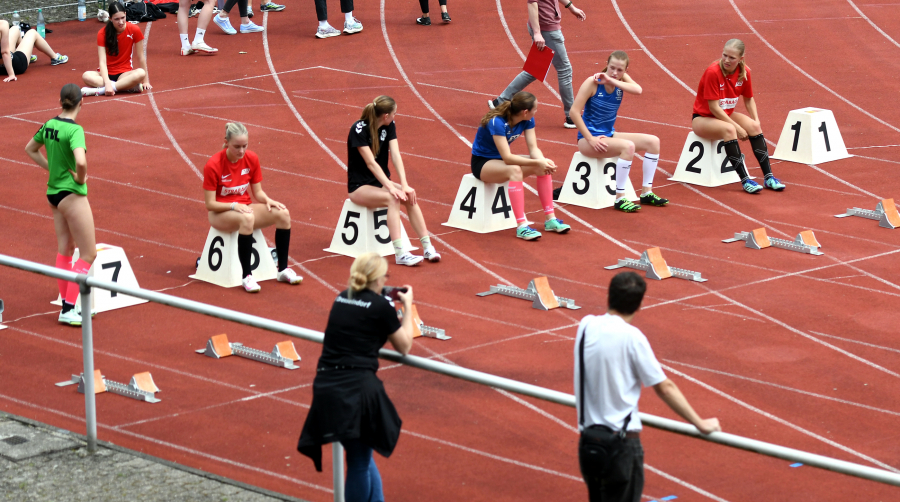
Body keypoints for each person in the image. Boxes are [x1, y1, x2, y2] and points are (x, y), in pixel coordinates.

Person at [575, 272, 722, 502]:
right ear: (640, 304)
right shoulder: (633, 338)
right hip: (620, 445)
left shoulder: (585, 326)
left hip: (589, 443)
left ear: (609, 296)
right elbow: (664, 387)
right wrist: (700, 423)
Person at [297, 252, 415, 502]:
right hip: (357, 389)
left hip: (327, 384)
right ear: (378, 279)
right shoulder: (382, 307)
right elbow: (404, 346)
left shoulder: (341, 297)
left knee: (361, 455)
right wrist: (406, 308)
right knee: (359, 462)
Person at [24, 84, 96, 326]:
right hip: (71, 195)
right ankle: (68, 308)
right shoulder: (75, 130)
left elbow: (30, 149)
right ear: (81, 102)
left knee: (65, 249)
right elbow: (81, 161)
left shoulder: (49, 124)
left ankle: (69, 303)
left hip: (53, 194)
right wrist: (80, 177)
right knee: (88, 253)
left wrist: (51, 169)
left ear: (60, 101)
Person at [202, 122, 302, 292]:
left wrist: (268, 200)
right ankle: (247, 276)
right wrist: (233, 206)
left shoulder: (251, 158)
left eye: (244, 146)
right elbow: (210, 204)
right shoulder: (213, 165)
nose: (241, 151)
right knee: (247, 218)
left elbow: (258, 192)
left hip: (244, 208)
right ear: (226, 142)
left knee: (283, 213)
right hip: (220, 214)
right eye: (236, 147)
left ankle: (283, 269)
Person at [347, 96, 441, 266]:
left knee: (409, 196)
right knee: (393, 198)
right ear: (385, 115)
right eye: (394, 114)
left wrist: (404, 185)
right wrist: (391, 188)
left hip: (379, 183)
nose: (395, 117)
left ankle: (427, 247)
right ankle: (400, 253)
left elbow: (396, 155)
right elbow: (371, 163)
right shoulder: (359, 129)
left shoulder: (389, 125)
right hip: (359, 187)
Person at [569, 51, 668, 213]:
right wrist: (590, 139)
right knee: (628, 147)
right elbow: (574, 112)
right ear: (606, 65)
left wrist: (613, 80)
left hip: (608, 134)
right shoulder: (592, 83)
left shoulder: (619, 81)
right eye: (612, 68)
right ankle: (620, 197)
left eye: (619, 70)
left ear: (625, 71)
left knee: (653, 142)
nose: (615, 73)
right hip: (587, 141)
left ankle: (646, 193)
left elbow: (638, 90)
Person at [471, 91, 570, 241]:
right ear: (525, 112)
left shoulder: (528, 120)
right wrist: (537, 161)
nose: (536, 111)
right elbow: (508, 158)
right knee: (515, 170)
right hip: (482, 163)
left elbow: (533, 148)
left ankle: (550, 219)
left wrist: (543, 161)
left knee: (543, 166)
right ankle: (522, 226)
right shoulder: (497, 122)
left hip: (500, 161)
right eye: (535, 108)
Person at [692, 39, 785, 194]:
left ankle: (769, 177)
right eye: (724, 55)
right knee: (729, 130)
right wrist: (737, 127)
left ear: (741, 59)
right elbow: (714, 108)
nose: (727, 60)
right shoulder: (713, 72)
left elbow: (748, 99)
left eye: (732, 58)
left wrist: (756, 120)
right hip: (703, 118)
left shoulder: (745, 72)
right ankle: (745, 180)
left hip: (726, 114)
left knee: (754, 127)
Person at [488, 0, 585, 128]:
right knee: (564, 70)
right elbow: (532, 3)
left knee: (534, 70)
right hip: (547, 30)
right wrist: (537, 33)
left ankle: (501, 101)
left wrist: (571, 7)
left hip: (545, 28)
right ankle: (571, 116)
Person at [81, 2, 151, 97]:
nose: (121, 22)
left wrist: (146, 81)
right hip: (105, 74)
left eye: (122, 18)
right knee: (86, 76)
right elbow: (102, 61)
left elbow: (141, 56)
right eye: (116, 19)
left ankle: (100, 91)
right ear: (110, 19)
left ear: (126, 14)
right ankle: (126, 86)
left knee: (140, 73)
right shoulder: (102, 33)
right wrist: (107, 82)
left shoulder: (134, 30)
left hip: (125, 74)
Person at [1, 19, 68, 82]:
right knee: (32, 32)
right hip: (14, 66)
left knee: (15, 29)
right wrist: (11, 74)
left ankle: (28, 56)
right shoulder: (3, 24)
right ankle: (55, 57)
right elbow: (4, 52)